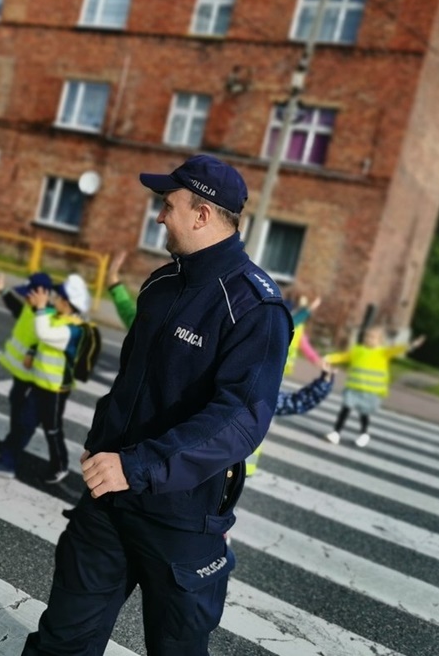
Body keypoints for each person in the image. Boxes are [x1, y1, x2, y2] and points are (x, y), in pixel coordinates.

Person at [22, 154, 292, 655]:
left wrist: (140, 465)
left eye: (169, 205)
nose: (160, 216)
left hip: (181, 517)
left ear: (202, 214)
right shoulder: (160, 285)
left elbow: (240, 420)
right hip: (109, 499)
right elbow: (133, 384)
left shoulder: (256, 308)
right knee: (61, 640)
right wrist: (105, 447)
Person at [107, 249, 331, 477]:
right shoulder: (258, 389)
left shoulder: (154, 327)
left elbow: (128, 310)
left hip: (174, 465)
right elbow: (296, 401)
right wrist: (324, 383)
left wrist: (114, 282)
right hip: (214, 475)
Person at [0, 273, 92, 485]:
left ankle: (60, 465)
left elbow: (45, 334)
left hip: (55, 390)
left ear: (68, 303)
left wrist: (42, 306)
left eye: (59, 298)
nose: (54, 300)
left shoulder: (72, 329)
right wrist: (32, 351)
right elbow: (39, 337)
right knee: (25, 424)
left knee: (52, 430)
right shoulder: (58, 318)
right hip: (39, 385)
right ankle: (7, 462)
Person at [323, 325, 427, 447]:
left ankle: (364, 433)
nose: (369, 339)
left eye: (372, 337)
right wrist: (328, 358)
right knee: (345, 409)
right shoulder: (358, 350)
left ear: (380, 340)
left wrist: (412, 345)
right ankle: (336, 432)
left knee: (364, 414)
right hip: (354, 388)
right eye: (367, 336)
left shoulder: (383, 352)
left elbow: (398, 349)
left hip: (371, 392)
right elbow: (344, 356)